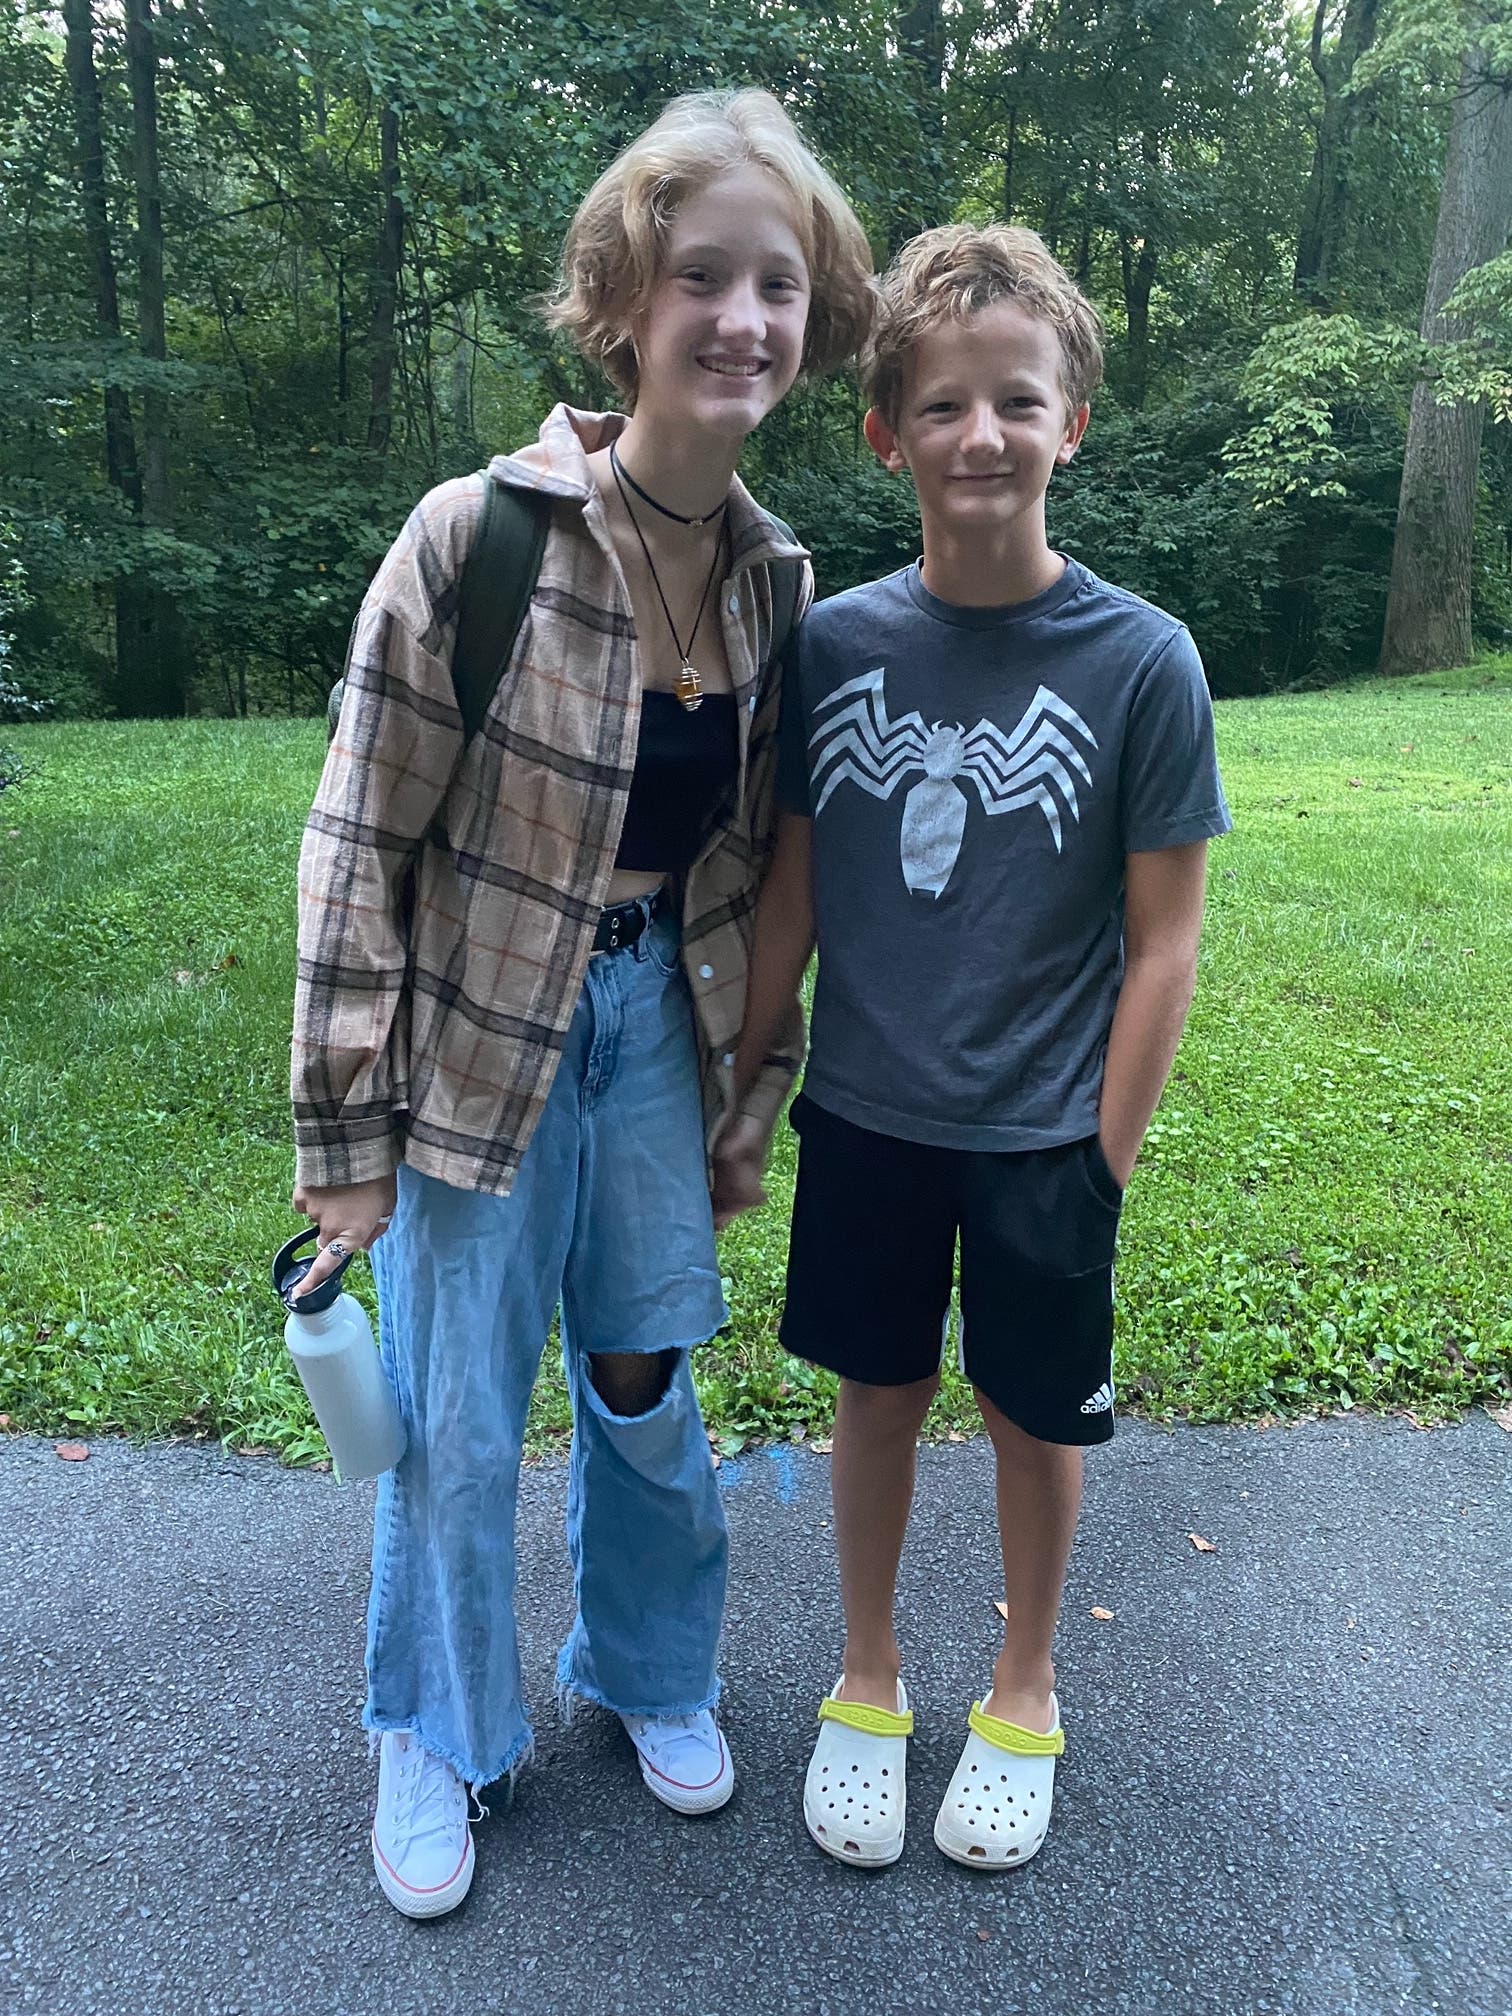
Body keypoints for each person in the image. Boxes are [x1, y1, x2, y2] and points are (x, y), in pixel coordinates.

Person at [288, 88, 873, 1919]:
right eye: (703, 275)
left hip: (652, 1044)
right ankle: (435, 1727)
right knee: (461, 1414)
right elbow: (355, 840)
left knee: (643, 1376)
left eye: (778, 285)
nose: (743, 317)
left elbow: (753, 865)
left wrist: (745, 1092)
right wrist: (343, 1130)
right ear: (626, 294)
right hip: (479, 1038)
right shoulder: (480, 540)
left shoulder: (777, 581)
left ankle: (644, 1666)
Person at [726, 224, 1232, 1871]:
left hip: (1041, 1136)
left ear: (1070, 421)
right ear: (889, 435)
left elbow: (1164, 938)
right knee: (875, 1394)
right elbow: (795, 882)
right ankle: (867, 1676)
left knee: (1032, 1415)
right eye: (943, 406)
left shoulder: (1140, 662)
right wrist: (747, 1071)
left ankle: (1025, 1688)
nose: (982, 436)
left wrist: (1104, 1155)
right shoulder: (836, 648)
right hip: (869, 1113)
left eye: (1018, 401)